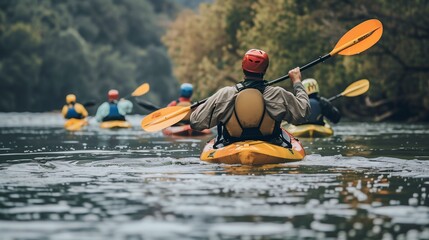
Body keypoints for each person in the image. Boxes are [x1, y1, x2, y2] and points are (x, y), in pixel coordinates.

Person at [190, 49, 310, 147]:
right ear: (265, 69)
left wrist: (201, 107)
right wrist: (297, 82)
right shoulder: (277, 94)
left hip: (232, 146)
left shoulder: (225, 94)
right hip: (270, 145)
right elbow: (303, 114)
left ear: (243, 67)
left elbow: (196, 122)